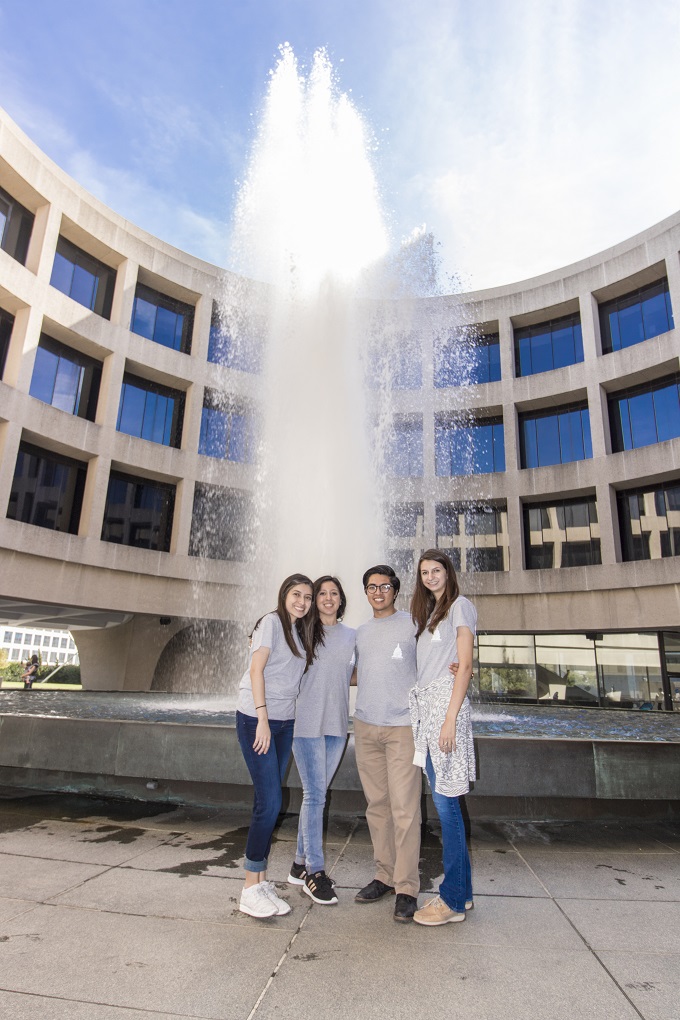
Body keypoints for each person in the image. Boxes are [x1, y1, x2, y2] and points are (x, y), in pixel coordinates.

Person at [236, 573, 315, 919]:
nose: (302, 601)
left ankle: (260, 880)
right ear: (284, 595)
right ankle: (248, 889)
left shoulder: (299, 631)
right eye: (296, 594)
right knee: (270, 802)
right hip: (258, 720)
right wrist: (263, 719)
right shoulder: (271, 622)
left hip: (284, 722)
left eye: (307, 597)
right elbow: (256, 671)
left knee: (266, 801)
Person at [409, 549, 476, 926]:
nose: (431, 576)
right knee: (447, 803)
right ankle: (462, 895)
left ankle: (450, 900)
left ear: (448, 572)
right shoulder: (431, 614)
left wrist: (449, 718)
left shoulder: (460, 606)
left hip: (444, 712)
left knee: (446, 805)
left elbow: (464, 664)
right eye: (424, 572)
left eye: (436, 570)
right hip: (430, 710)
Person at [352, 563, 421, 922]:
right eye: (371, 587)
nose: (378, 592)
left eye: (384, 586)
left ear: (395, 589)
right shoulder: (360, 632)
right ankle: (384, 875)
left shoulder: (412, 624)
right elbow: (348, 672)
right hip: (366, 725)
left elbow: (431, 661)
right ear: (365, 592)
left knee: (405, 808)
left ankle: (407, 887)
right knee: (377, 805)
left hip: (402, 727)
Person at [288, 575, 355, 905]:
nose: (328, 598)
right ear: (314, 601)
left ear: (341, 600)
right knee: (315, 795)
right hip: (305, 724)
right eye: (322, 593)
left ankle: (299, 864)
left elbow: (357, 672)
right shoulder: (301, 632)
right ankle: (315, 872)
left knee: (315, 795)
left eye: (334, 593)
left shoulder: (352, 636)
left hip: (337, 725)